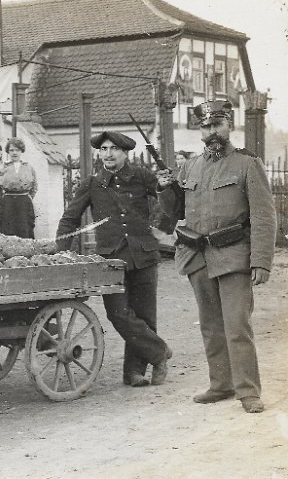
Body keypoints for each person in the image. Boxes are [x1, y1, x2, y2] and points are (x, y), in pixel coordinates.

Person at [157, 100, 276, 413]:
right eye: (206, 127)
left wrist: (261, 260)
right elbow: (175, 214)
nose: (211, 132)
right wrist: (164, 190)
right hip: (198, 257)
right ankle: (220, 384)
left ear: (229, 126)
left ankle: (248, 391)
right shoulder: (190, 166)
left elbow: (264, 216)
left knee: (237, 325)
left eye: (217, 125)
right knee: (210, 326)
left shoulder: (248, 164)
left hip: (234, 256)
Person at [57, 131, 172, 387]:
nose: (108, 154)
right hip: (109, 259)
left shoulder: (142, 176)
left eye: (114, 149)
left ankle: (134, 372)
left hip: (144, 256)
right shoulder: (92, 184)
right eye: (104, 149)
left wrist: (166, 193)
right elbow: (70, 219)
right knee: (118, 314)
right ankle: (160, 352)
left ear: (125, 152)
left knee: (144, 315)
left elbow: (170, 201)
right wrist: (60, 251)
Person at [0, 137, 37, 237]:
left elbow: (35, 186)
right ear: (8, 152)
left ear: (21, 151)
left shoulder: (29, 167)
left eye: (17, 150)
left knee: (25, 229)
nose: (14, 153)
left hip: (24, 203)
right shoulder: (2, 168)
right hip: (8, 203)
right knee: (7, 230)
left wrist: (27, 198)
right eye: (11, 150)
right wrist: (3, 200)